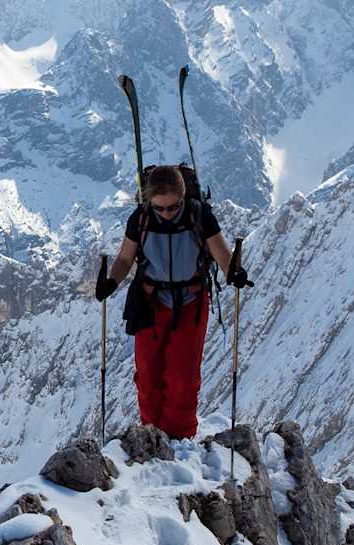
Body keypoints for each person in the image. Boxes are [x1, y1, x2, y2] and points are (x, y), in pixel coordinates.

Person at [94, 165, 252, 439]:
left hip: (190, 302)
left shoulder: (199, 216)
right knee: (148, 374)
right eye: (160, 208)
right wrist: (111, 281)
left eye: (173, 207)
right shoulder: (141, 218)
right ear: (149, 202)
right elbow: (125, 258)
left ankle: (180, 440)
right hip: (150, 302)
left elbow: (223, 256)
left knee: (183, 377)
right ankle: (151, 435)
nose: (166, 213)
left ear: (183, 197)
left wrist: (234, 273)